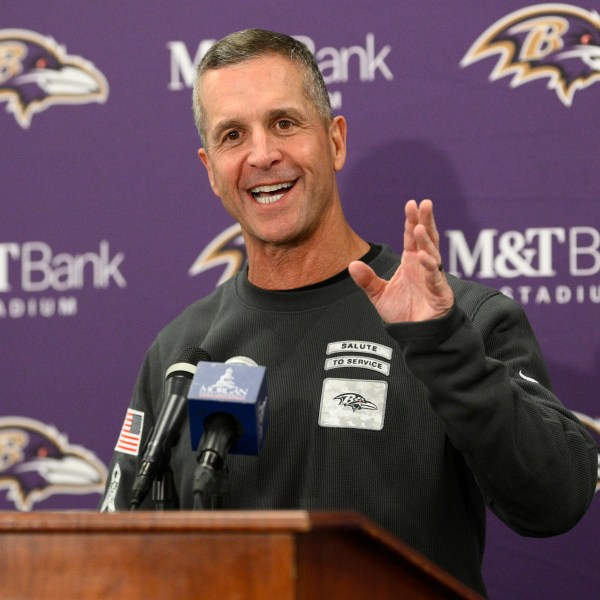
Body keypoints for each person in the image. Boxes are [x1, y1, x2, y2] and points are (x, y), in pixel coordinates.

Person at [99, 29, 598, 597]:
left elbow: (558, 498)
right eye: (233, 135)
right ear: (211, 169)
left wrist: (441, 345)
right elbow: (121, 555)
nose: (263, 154)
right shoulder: (180, 353)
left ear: (334, 141)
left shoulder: (458, 319)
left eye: (285, 123)